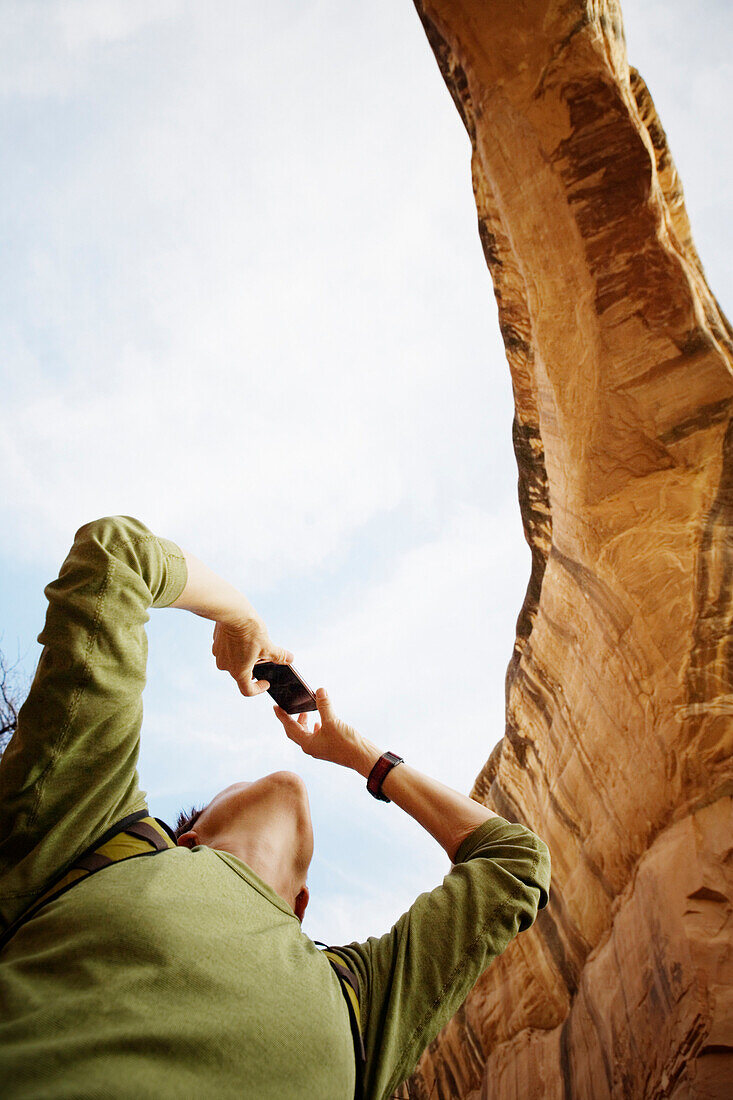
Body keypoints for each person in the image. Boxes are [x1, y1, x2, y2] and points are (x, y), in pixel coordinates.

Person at [0, 516, 550, 1100]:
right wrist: (238, 617)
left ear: (300, 906)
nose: (273, 779)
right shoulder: (99, 838)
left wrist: (364, 755)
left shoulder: (364, 997)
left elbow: (516, 860)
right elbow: (118, 557)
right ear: (187, 839)